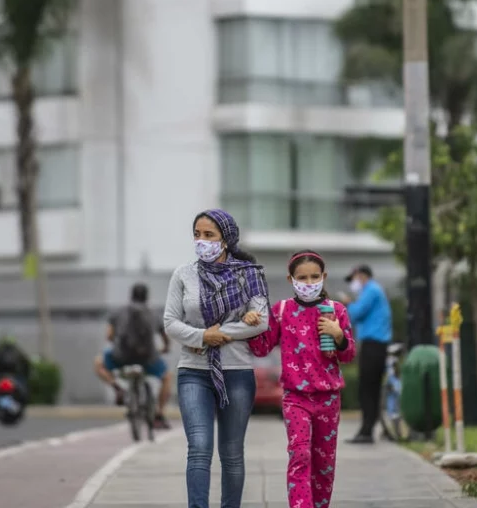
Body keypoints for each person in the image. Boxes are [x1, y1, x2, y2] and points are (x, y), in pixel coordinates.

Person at [164, 208, 270, 508]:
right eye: (197, 234)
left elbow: (261, 321)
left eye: (208, 235)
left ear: (226, 239)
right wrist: (201, 337)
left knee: (232, 452)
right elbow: (170, 322)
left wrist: (219, 333)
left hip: (237, 370)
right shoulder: (183, 274)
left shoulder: (250, 274)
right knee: (199, 447)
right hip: (194, 371)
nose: (201, 241)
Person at [248, 250, 356, 508]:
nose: (309, 283)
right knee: (299, 455)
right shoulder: (282, 310)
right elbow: (261, 348)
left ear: (324, 277)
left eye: (314, 277)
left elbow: (349, 354)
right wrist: (253, 325)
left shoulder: (336, 310)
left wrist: (338, 335)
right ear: (291, 279)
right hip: (296, 398)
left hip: (328, 398)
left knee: (324, 463)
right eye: (302, 277)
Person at [94, 282, 173, 430]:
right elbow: (165, 338)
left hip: (121, 357)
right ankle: (159, 415)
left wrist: (118, 343)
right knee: (167, 377)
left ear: (131, 296)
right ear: (146, 298)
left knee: (99, 363)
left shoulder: (118, 312)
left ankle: (117, 387)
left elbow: (109, 335)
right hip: (148, 358)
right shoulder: (154, 314)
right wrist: (165, 348)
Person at [340, 264, 392, 444]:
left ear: (361, 275)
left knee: (367, 389)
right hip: (375, 344)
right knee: (371, 388)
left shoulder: (371, 290)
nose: (353, 283)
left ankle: (367, 430)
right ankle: (367, 428)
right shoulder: (373, 291)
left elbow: (354, 314)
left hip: (373, 344)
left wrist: (347, 304)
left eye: (353, 279)